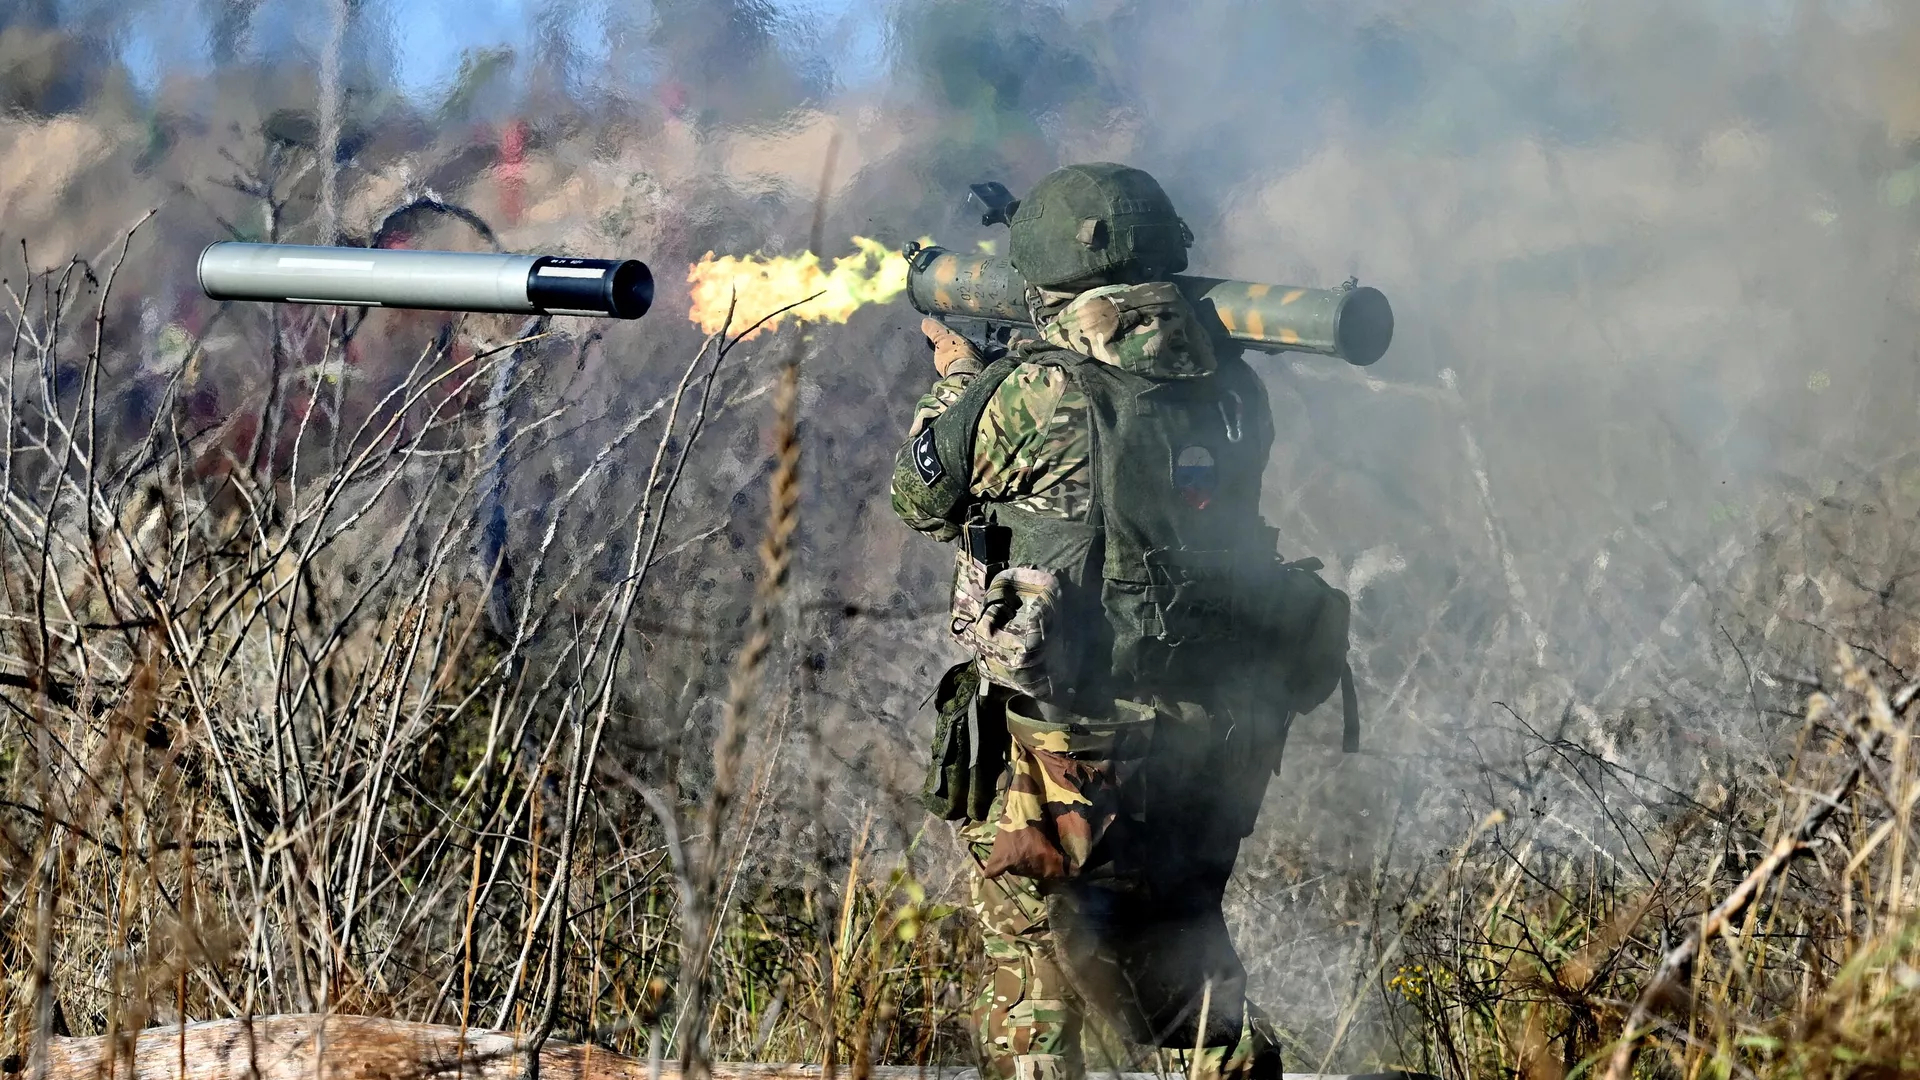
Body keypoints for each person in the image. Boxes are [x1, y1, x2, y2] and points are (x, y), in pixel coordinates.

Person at [890, 163, 1354, 1080]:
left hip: (1071, 750)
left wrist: (957, 376)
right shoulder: (1233, 388)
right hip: (1217, 735)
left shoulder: (1035, 393)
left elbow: (922, 491)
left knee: (1035, 972)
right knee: (1184, 957)